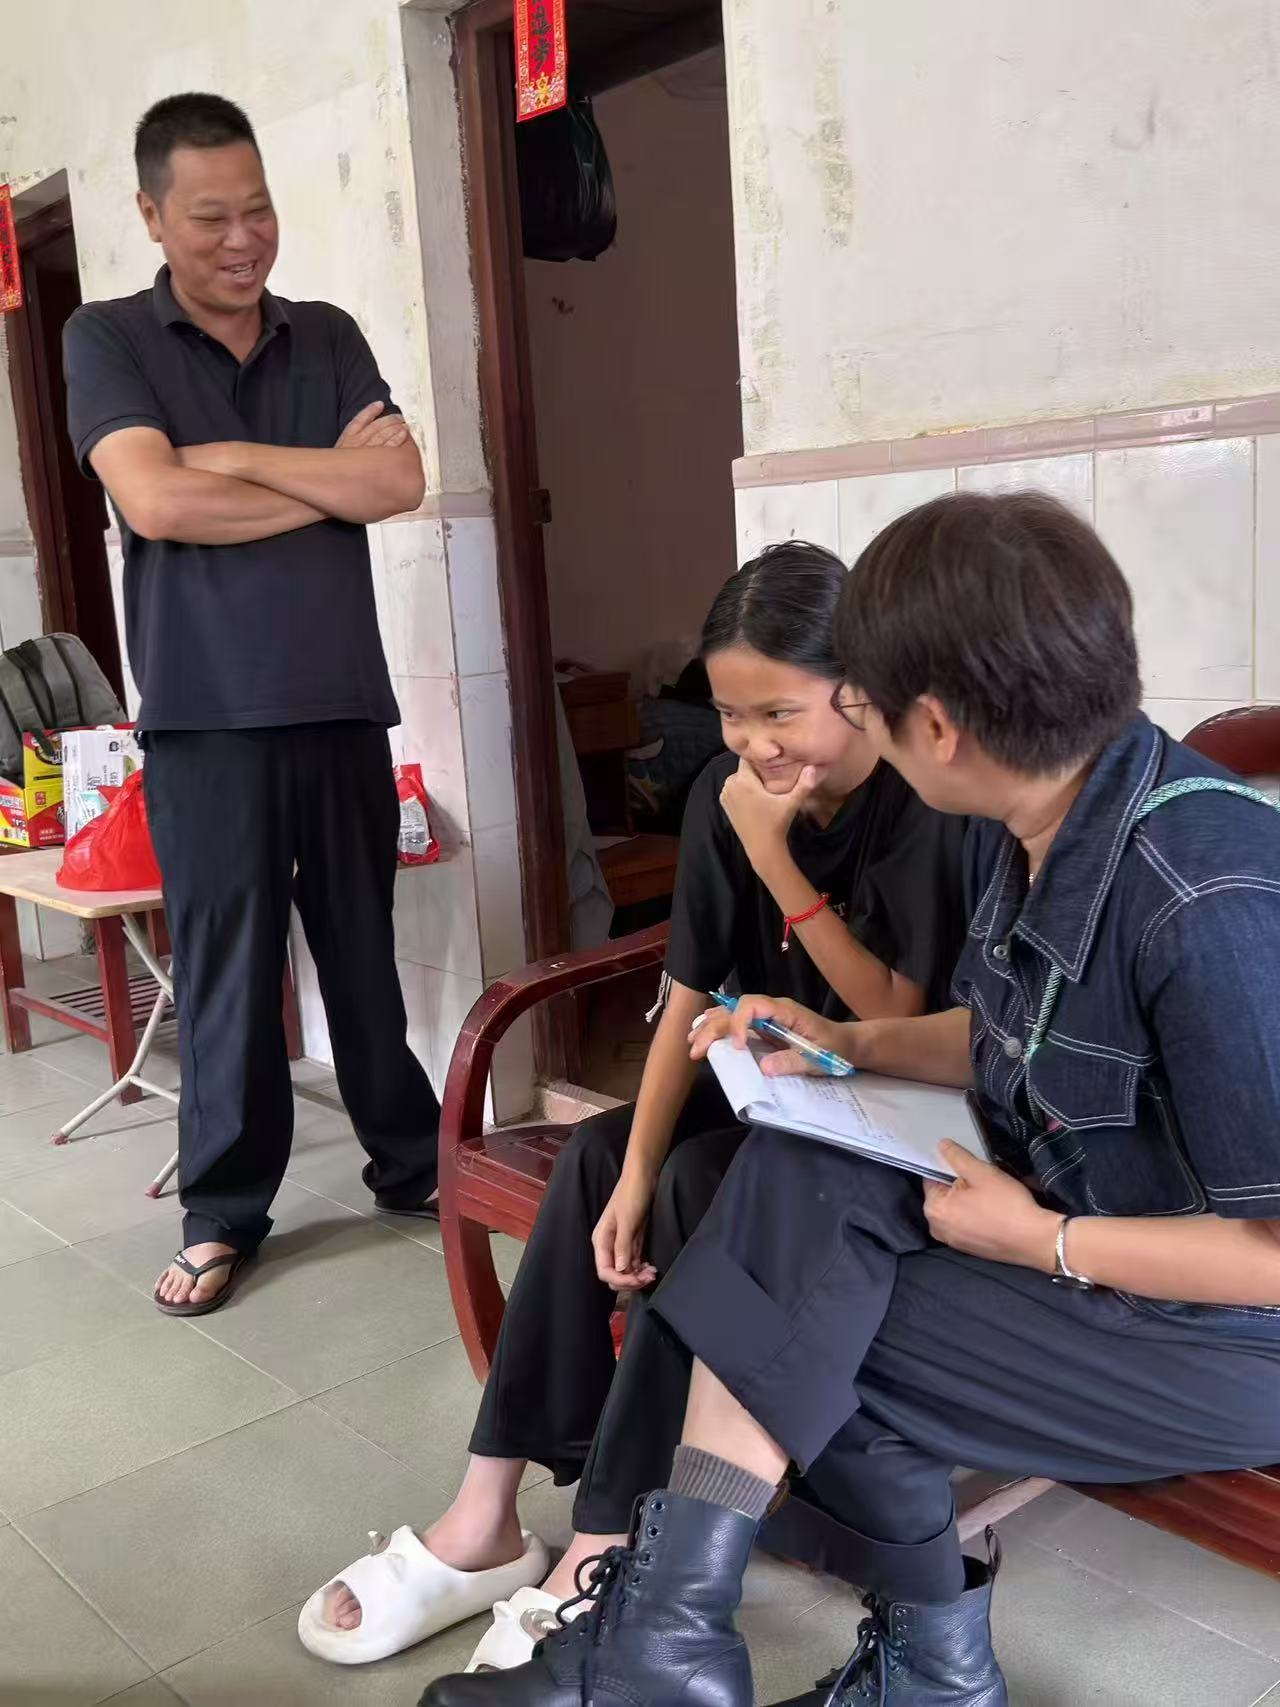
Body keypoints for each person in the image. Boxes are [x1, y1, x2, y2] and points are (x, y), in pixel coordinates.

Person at [419, 490, 1280, 1707]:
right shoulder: (1050, 822)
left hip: (1223, 1340)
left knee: (794, 1317)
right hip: (1102, 1262)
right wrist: (840, 1039)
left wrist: (1045, 1241)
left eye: (858, 705)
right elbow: (1008, 1036)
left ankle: (713, 1649)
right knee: (772, 1177)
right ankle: (703, 1643)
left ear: (933, 726)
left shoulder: (1205, 902)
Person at [297, 541, 967, 1669]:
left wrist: (777, 861)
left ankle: (604, 1546)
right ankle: (486, 1512)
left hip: (893, 1116)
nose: (753, 744)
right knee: (601, 1161)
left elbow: (893, 1013)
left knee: (704, 1186)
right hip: (780, 1095)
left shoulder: (919, 803)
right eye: (730, 715)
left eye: (779, 712)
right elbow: (687, 995)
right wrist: (637, 1165)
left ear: (862, 686)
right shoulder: (723, 794)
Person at [61, 94, 441, 1317]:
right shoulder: (107, 338)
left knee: (362, 954)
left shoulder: (323, 334)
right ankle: (225, 1212)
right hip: (205, 715)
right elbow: (155, 504)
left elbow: (398, 482)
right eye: (210, 217)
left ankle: (414, 1163)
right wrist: (325, 484)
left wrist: (229, 458)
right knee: (227, 969)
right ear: (152, 215)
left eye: (259, 209)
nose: (242, 239)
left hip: (339, 699)